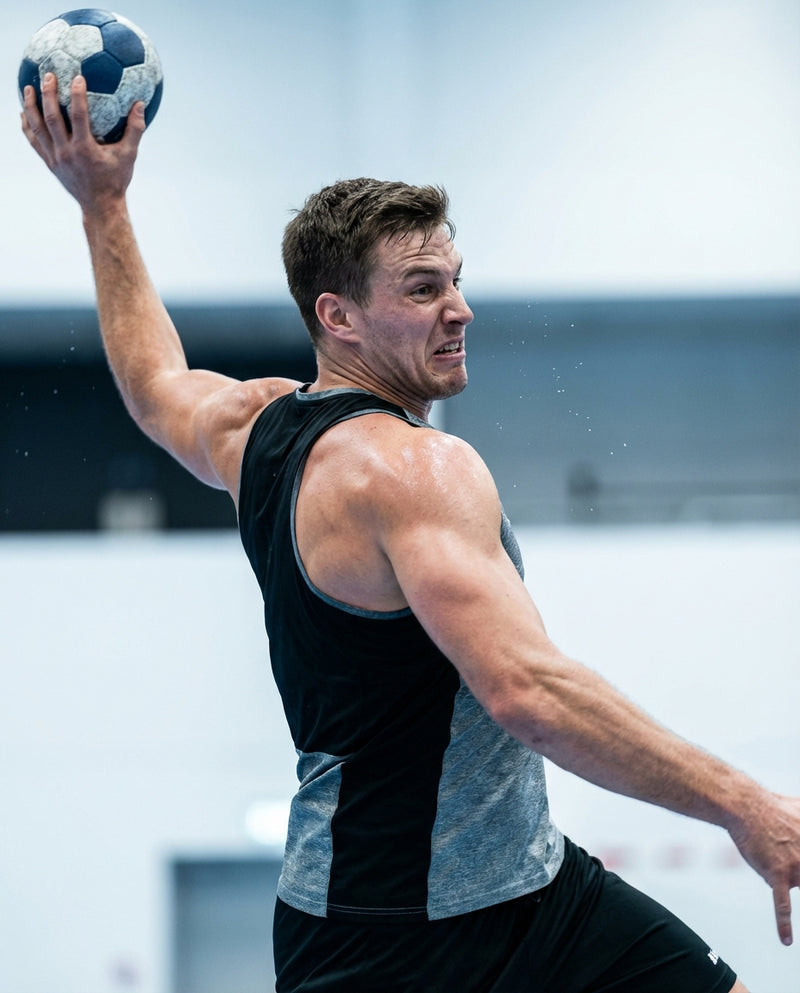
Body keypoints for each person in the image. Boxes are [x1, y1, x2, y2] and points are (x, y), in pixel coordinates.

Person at [21, 74, 799, 993]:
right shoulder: (416, 470)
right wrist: (745, 804)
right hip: (395, 938)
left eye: (456, 280)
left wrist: (103, 204)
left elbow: (155, 385)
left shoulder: (255, 429)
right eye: (424, 289)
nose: (460, 309)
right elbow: (528, 693)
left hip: (528, 887)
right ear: (337, 316)